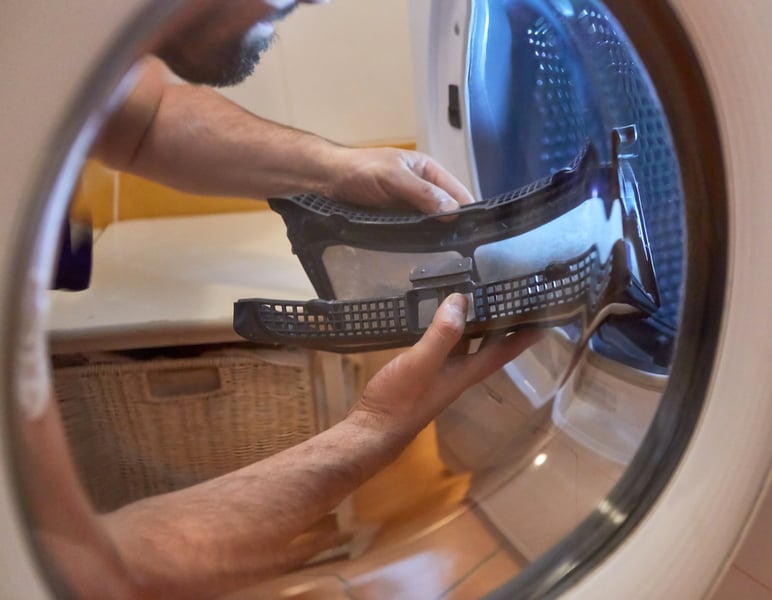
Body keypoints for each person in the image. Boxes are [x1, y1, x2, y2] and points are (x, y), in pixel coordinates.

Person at [21, 1, 540, 598]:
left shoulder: (49, 49)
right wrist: (375, 428)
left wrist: (336, 168)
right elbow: (88, 571)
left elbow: (145, 117)